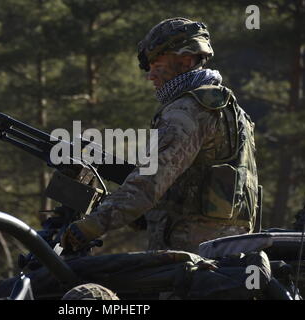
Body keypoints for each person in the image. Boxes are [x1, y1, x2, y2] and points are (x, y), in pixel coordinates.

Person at [61, 17, 259, 253]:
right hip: (230, 251)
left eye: (157, 65)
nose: (150, 76)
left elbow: (148, 183)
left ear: (186, 60)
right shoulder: (231, 109)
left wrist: (89, 227)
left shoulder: (186, 112)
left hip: (190, 256)